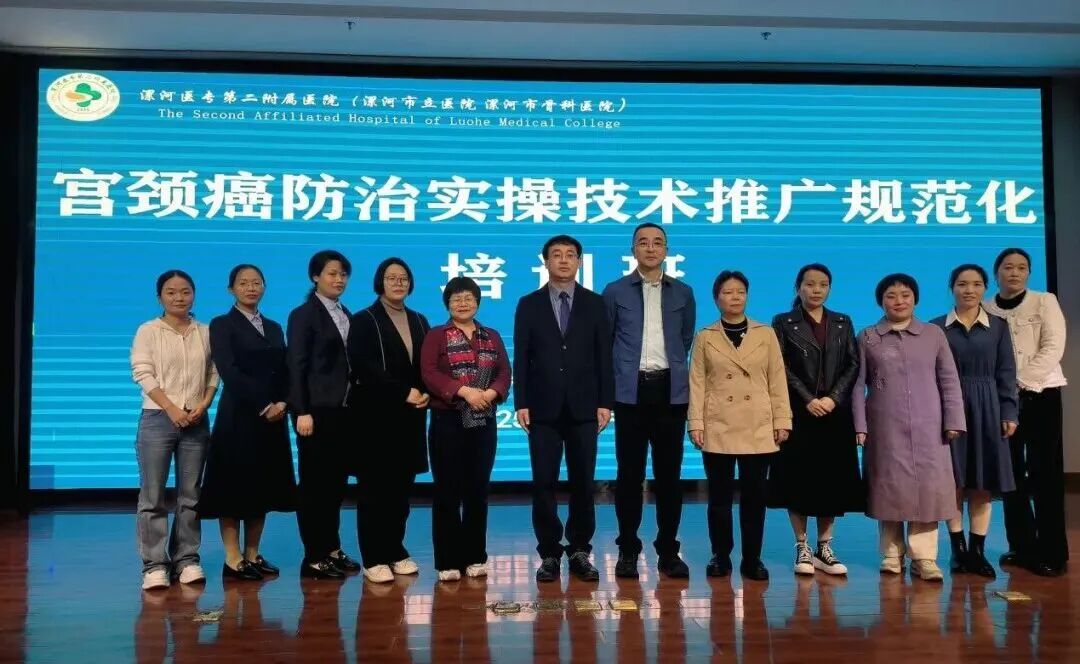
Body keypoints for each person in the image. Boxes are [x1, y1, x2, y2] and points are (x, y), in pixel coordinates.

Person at [514, 234, 615, 582]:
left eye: (570, 255)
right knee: (543, 482)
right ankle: (548, 553)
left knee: (583, 482)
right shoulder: (529, 304)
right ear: (545, 262)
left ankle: (580, 550)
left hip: (585, 406)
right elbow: (522, 356)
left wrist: (605, 401)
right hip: (542, 407)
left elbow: (604, 356)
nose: (563, 260)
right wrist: (521, 401)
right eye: (556, 255)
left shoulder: (595, 303)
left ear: (579, 262)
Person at [853, 273, 966, 582]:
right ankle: (891, 554)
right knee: (888, 488)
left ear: (915, 299)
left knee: (928, 491)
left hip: (931, 426)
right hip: (884, 426)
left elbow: (949, 379)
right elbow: (857, 384)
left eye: (905, 295)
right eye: (891, 296)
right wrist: (860, 425)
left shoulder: (933, 334)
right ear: (881, 302)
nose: (899, 301)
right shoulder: (868, 336)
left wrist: (954, 420)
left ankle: (924, 558)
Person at [601, 222, 696, 580]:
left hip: (670, 392)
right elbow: (607, 341)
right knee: (629, 475)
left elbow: (685, 338)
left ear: (666, 250)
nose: (651, 248)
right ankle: (627, 549)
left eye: (658, 243)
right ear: (633, 250)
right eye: (643, 243)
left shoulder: (683, 292)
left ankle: (668, 551)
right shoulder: (614, 291)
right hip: (630, 392)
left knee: (670, 476)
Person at [688, 270, 791, 582]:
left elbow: (777, 379)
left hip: (757, 424)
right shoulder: (705, 336)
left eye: (740, 292)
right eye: (728, 292)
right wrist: (695, 422)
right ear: (716, 298)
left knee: (754, 498)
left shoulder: (765, 333)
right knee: (719, 499)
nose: (735, 297)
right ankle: (720, 556)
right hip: (718, 422)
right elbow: (697, 383)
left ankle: (752, 558)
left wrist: (782, 419)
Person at [199, 264, 297, 581]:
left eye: (256, 282)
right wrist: (264, 404)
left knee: (261, 487)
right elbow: (229, 370)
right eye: (243, 283)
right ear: (231, 289)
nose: (251, 288)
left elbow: (285, 369)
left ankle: (253, 553)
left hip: (272, 419)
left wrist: (283, 402)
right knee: (233, 487)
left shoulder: (274, 327)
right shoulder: (222, 324)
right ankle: (233, 558)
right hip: (239, 417)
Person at [769, 263, 864, 577]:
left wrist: (833, 398)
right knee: (798, 481)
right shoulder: (783, 322)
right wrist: (808, 399)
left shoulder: (842, 321)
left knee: (830, 483)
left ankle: (825, 547)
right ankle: (802, 546)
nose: (816, 290)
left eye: (823, 284)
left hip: (834, 413)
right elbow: (780, 366)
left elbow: (853, 364)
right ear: (798, 287)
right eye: (810, 284)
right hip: (799, 412)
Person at [130, 270, 219, 590]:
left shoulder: (205, 332)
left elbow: (213, 373)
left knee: (190, 495)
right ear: (160, 297)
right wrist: (171, 408)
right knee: (153, 495)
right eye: (171, 292)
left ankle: (187, 559)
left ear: (194, 294)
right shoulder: (148, 331)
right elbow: (142, 372)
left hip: (196, 419)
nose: (179, 297)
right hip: (158, 418)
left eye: (185, 291)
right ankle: (154, 564)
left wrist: (204, 404)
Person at [984, 248, 1069, 577]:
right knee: (1011, 476)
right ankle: (1022, 546)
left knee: (1045, 474)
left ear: (1029, 273)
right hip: (1002, 401)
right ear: (997, 273)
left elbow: (1053, 347)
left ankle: (1053, 553)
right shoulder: (987, 308)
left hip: (1041, 394)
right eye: (1008, 267)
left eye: (1022, 268)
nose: (1015, 273)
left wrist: (1019, 382)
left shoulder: (1044, 301)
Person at [420, 277, 511, 582]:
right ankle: (447, 561)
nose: (463, 303)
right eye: (456, 298)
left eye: (468, 298)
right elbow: (429, 373)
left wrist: (491, 393)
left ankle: (475, 556)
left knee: (477, 491)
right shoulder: (436, 335)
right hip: (448, 420)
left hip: (484, 420)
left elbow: (504, 371)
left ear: (478, 302)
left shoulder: (491, 335)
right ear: (447, 304)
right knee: (447, 491)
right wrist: (464, 392)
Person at [931, 263, 1018, 579]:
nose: (969, 290)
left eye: (976, 284)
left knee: (982, 483)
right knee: (953, 481)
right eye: (962, 284)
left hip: (988, 408)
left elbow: (1007, 372)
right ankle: (958, 551)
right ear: (951, 288)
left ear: (985, 288)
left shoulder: (998, 326)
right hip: (948, 409)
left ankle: (977, 553)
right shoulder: (936, 327)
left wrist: (1009, 412)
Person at [348, 257, 431, 584]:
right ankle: (374, 557)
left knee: (400, 491)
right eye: (391, 277)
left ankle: (395, 549)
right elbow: (363, 366)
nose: (398, 283)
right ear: (379, 282)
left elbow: (428, 364)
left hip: (410, 418)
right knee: (374, 490)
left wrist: (425, 392)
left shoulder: (420, 320)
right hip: (375, 418)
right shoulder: (363, 319)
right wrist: (403, 392)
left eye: (403, 278)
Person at [287, 250, 358, 580]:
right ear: (315, 277)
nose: (338, 279)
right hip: (314, 413)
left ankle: (331, 548)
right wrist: (301, 410)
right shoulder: (303, 314)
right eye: (332, 273)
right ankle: (314, 556)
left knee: (335, 485)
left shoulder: (346, 313)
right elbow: (296, 365)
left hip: (344, 413)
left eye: (343, 274)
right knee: (314, 487)